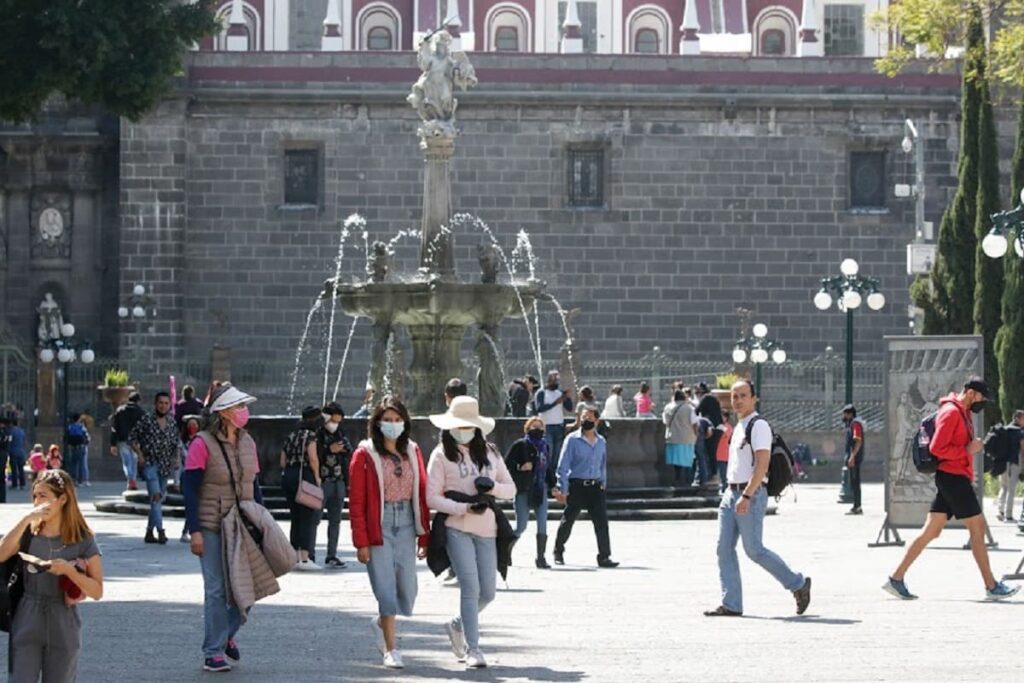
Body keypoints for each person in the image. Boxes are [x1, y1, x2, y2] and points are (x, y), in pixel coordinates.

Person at [884, 377, 1020, 601]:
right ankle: (991, 586)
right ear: (970, 393)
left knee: (932, 531)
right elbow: (938, 447)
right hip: (953, 478)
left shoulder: (961, 412)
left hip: (952, 477)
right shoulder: (951, 413)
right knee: (977, 528)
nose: (983, 402)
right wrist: (967, 449)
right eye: (982, 398)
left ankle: (896, 579)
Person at [704, 379, 811, 617]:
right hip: (731, 493)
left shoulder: (758, 425)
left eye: (743, 396)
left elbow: (762, 464)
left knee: (754, 550)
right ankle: (731, 603)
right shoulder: (739, 425)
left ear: (754, 398)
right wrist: (732, 494)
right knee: (723, 549)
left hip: (749, 494)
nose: (738, 401)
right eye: (735, 396)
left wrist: (747, 495)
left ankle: (798, 584)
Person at [427, 396, 516, 669]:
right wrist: (462, 507)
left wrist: (491, 488)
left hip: (487, 528)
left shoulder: (491, 453)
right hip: (456, 527)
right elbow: (431, 497)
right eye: (458, 426)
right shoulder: (441, 454)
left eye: (468, 426)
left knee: (488, 593)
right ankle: (473, 648)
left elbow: (510, 488)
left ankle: (457, 624)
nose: (463, 431)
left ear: (477, 427)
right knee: (470, 587)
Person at [181, 382, 264, 672]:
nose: (244, 411)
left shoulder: (248, 442)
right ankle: (213, 651)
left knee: (251, 585)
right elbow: (189, 490)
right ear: (224, 411)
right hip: (212, 524)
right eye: (239, 406)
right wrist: (195, 531)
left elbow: (254, 484)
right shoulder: (201, 443)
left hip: (242, 523)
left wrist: (261, 520)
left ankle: (226, 633)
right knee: (216, 589)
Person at [349, 396, 430, 670]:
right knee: (385, 588)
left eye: (397, 420)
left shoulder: (413, 451)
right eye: (387, 420)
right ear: (377, 422)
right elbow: (357, 500)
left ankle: (383, 621)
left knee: (407, 589)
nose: (393, 424)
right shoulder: (365, 454)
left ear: (405, 422)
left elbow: (422, 492)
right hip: (379, 524)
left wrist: (424, 535)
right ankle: (392, 649)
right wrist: (361, 541)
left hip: (407, 521)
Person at [0, 469, 104, 682]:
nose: (37, 502)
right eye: (35, 496)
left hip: (63, 617)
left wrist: (68, 571)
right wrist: (25, 520)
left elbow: (97, 591)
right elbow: (1, 554)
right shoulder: (28, 532)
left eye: (43, 496)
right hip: (27, 613)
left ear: (63, 499)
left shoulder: (83, 539)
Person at [552, 406, 619, 568]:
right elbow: (563, 464)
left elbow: (603, 465)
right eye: (583, 417)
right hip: (577, 486)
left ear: (596, 420)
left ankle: (604, 556)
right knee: (568, 520)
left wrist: (603, 483)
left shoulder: (601, 441)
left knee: (601, 522)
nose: (585, 420)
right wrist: (564, 487)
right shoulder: (572, 439)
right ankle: (558, 550)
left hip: (595, 487)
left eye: (589, 418)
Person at [129, 392, 181, 544]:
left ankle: (149, 532)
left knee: (157, 500)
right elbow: (132, 438)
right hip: (150, 464)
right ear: (155, 404)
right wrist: (140, 455)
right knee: (156, 497)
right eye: (160, 403)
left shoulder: (172, 422)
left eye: (166, 403)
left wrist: (177, 459)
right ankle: (160, 530)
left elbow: (176, 443)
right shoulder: (146, 420)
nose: (163, 406)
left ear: (169, 405)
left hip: (165, 466)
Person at [504, 416, 556, 568]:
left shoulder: (545, 446)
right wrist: (520, 467)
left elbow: (548, 468)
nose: (537, 430)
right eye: (534, 427)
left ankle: (541, 558)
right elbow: (506, 466)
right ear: (527, 429)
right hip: (523, 490)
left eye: (540, 427)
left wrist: (553, 485)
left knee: (543, 524)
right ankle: (505, 550)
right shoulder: (520, 445)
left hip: (540, 490)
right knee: (521, 526)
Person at [280, 406, 323, 570]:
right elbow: (313, 458)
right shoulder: (310, 436)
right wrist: (317, 477)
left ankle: (295, 556)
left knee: (295, 517)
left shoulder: (291, 436)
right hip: (304, 477)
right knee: (307, 517)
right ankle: (305, 558)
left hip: (289, 477)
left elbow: (282, 461)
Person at [319, 401, 352, 568]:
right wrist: (328, 450)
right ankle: (308, 554)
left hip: (338, 482)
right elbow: (313, 454)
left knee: (335, 521)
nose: (335, 425)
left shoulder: (340, 433)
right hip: (321, 482)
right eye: (333, 421)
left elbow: (349, 450)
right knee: (314, 519)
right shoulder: (317, 433)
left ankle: (331, 555)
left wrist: (343, 449)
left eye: (338, 421)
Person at [535, 370, 573, 469]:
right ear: (548, 381)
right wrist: (555, 403)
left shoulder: (559, 392)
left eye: (557, 381)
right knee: (549, 453)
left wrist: (567, 398)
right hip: (546, 426)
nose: (556, 383)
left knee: (557, 454)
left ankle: (553, 477)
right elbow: (539, 408)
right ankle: (546, 476)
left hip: (559, 426)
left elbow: (569, 408)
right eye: (554, 381)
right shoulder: (541, 392)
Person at [110, 391, 145, 490]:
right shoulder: (141, 412)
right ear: (138, 401)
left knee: (126, 462)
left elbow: (114, 428)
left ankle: (130, 480)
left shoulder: (120, 410)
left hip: (122, 439)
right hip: (135, 441)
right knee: (134, 461)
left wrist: (113, 443)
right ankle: (132, 480)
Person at [663, 390, 699, 484]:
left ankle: (677, 479)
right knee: (688, 461)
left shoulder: (667, 407)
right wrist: (696, 435)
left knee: (676, 462)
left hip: (672, 438)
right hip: (687, 438)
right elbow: (694, 423)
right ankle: (688, 482)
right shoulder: (689, 408)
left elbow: (665, 422)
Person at [995, 410, 1024, 522]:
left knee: (1003, 487)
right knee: (1011, 489)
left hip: (1002, 463)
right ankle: (1008, 515)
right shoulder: (1020, 432)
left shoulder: (1004, 430)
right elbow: (1022, 450)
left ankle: (1000, 511)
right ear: (1017, 418)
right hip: (1014, 463)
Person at [696, 382, 724, 475]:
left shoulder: (705, 398)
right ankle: (714, 473)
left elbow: (697, 410)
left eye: (697, 392)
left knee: (708, 451)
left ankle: (712, 474)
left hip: (711, 427)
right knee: (713, 451)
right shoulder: (713, 398)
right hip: (719, 427)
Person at [842, 404, 865, 515]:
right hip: (854, 458)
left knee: (855, 482)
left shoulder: (855, 424)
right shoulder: (852, 424)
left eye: (845, 414)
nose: (844, 416)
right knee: (854, 482)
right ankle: (856, 506)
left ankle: (857, 506)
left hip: (855, 459)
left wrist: (852, 457)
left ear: (850, 414)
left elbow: (858, 441)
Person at [715, 411, 734, 493]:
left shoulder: (723, 427)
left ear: (726, 418)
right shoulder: (729, 427)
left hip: (722, 453)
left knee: (723, 474)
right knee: (724, 473)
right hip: (724, 453)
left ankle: (725, 488)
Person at [7, 415, 27, 490]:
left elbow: (9, 441)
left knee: (14, 469)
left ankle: (15, 484)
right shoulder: (21, 431)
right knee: (21, 468)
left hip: (13, 452)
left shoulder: (10, 431)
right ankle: (22, 484)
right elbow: (24, 441)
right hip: (21, 452)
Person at [0, 415, 11, 503]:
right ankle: (3, 498)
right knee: (2, 477)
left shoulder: (2, 432)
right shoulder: (8, 432)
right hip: (4, 454)